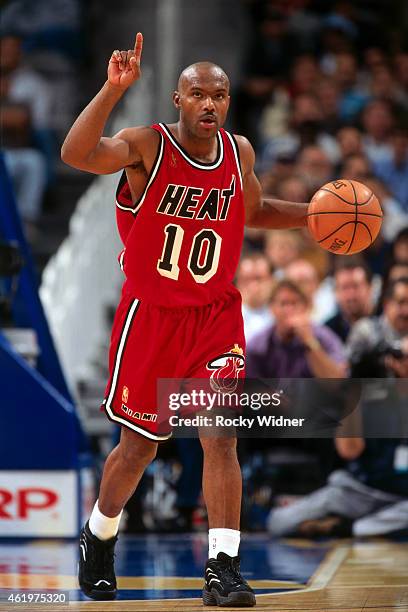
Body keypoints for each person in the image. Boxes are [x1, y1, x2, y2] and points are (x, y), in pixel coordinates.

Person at [61, 33, 312, 606]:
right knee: (139, 450)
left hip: (215, 317)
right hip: (152, 318)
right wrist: (112, 89)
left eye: (218, 96)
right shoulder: (146, 146)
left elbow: (254, 211)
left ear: (227, 102)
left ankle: (222, 567)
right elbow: (77, 155)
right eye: (197, 94)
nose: (209, 104)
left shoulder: (239, 153)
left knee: (221, 438)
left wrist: (314, 216)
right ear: (178, 99)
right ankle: (98, 537)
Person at [246, 279, 346, 379]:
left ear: (306, 307)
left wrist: (310, 342)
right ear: (271, 308)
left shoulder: (324, 337)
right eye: (283, 304)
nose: (289, 310)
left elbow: (338, 382)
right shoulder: (258, 345)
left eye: (294, 303)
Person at [325, 257, 374, 342]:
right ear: (335, 292)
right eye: (345, 288)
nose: (351, 295)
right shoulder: (328, 331)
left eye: (356, 286)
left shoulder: (387, 321)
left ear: (370, 288)